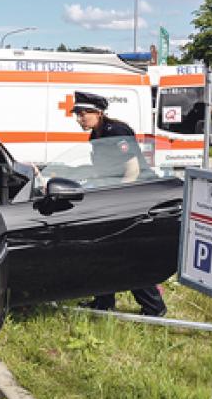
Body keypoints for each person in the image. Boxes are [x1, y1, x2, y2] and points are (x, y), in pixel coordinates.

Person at [72, 91, 168, 317]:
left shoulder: (117, 132)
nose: (78, 119)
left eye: (82, 114)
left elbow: (132, 170)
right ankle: (103, 302)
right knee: (105, 250)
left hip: (135, 195)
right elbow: (103, 170)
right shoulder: (95, 136)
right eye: (77, 114)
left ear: (97, 112)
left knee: (126, 254)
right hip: (114, 193)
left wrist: (119, 204)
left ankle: (154, 308)